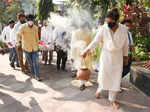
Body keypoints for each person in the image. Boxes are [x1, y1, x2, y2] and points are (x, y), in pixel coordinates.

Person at [81, 8, 129, 109]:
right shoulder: (104, 28)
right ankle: (99, 90)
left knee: (115, 78)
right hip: (106, 55)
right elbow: (95, 41)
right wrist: (86, 50)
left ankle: (112, 100)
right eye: (107, 21)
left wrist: (125, 56)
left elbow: (126, 44)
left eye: (110, 22)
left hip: (118, 57)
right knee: (104, 75)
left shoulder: (124, 29)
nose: (108, 24)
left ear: (116, 21)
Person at [17, 14, 41, 81]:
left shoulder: (35, 28)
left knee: (35, 62)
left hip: (34, 48)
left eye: (31, 20)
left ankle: (37, 76)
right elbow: (18, 35)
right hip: (26, 48)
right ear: (27, 20)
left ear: (33, 20)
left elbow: (37, 38)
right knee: (30, 63)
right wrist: (18, 42)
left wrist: (38, 46)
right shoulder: (23, 27)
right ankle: (33, 74)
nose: (30, 21)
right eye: (29, 20)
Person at [71, 23, 93, 91]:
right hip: (84, 54)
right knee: (83, 67)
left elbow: (73, 45)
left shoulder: (76, 33)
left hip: (81, 53)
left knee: (82, 67)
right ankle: (82, 82)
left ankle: (82, 82)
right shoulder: (87, 33)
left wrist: (72, 55)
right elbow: (91, 44)